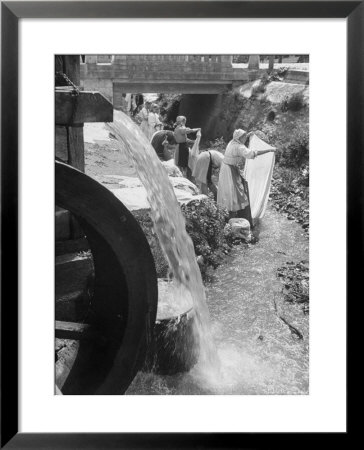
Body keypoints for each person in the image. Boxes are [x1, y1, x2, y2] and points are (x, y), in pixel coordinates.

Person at [217, 129, 275, 226]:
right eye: (244, 137)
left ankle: (231, 214)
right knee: (233, 192)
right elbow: (252, 153)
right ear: (240, 138)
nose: (245, 138)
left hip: (226, 168)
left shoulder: (232, 142)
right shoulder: (239, 147)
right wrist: (269, 150)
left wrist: (248, 135)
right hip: (229, 171)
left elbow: (240, 139)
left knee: (229, 191)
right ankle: (233, 215)